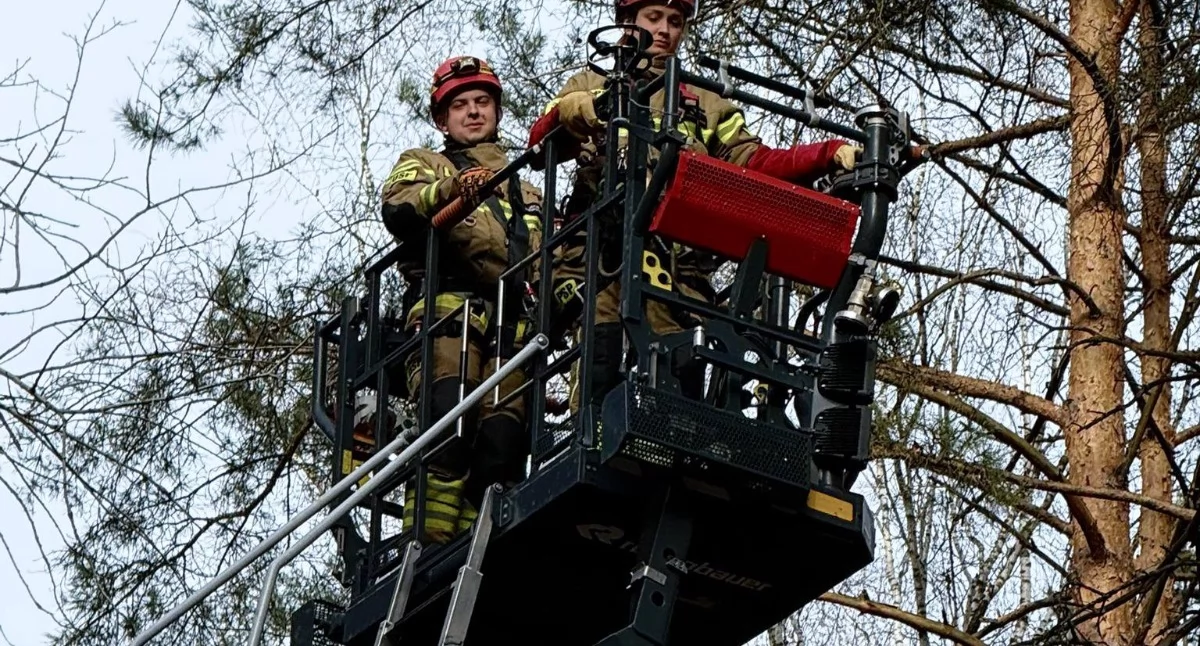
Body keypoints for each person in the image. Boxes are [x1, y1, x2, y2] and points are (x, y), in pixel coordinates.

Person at [527, 0, 860, 410]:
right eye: (654, 18)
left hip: (676, 267)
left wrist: (826, 154)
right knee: (601, 356)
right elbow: (541, 141)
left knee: (680, 373)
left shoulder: (705, 99)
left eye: (675, 22)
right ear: (627, 22)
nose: (665, 30)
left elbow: (753, 161)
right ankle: (593, 431)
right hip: (600, 257)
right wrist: (585, 109)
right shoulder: (591, 81)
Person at [380, 55, 543, 544]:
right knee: (447, 430)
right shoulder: (428, 164)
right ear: (441, 119)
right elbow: (399, 205)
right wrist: (454, 190)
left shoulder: (530, 190)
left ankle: (479, 548)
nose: (473, 111)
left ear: (497, 111)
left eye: (483, 102)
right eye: (460, 105)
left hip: (514, 329)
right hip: (450, 315)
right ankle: (426, 547)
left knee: (501, 447)